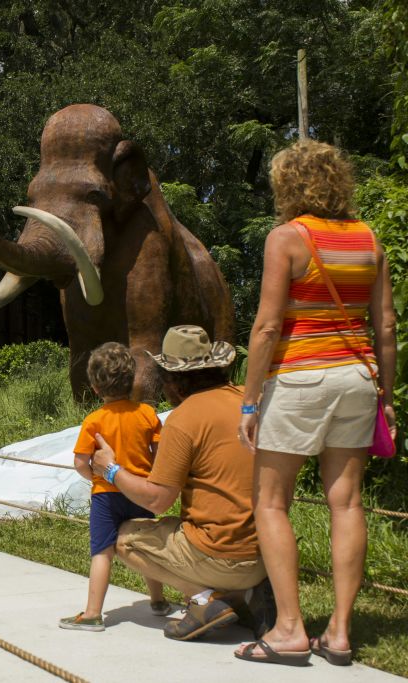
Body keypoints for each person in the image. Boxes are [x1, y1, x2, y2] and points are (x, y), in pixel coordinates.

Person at [234, 140, 397, 666]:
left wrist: (250, 399)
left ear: (287, 185)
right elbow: (387, 327)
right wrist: (387, 397)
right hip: (357, 378)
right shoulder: (370, 242)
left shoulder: (286, 239)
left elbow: (266, 326)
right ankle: (341, 633)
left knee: (271, 501)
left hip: (300, 378)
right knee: (346, 502)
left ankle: (288, 629)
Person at [91, 325, 271, 642]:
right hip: (266, 553)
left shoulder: (184, 417)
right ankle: (249, 594)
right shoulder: (247, 400)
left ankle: (206, 600)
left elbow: (158, 500)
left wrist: (111, 470)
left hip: (218, 556)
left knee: (123, 538)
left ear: (175, 378)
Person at [60, 342, 163, 632]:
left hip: (106, 496)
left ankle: (93, 614)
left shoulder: (94, 421)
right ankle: (158, 601)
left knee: (102, 552)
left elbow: (81, 462)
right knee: (147, 548)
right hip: (141, 491)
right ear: (132, 382)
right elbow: (159, 456)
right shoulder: (147, 414)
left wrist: (97, 478)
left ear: (94, 386)